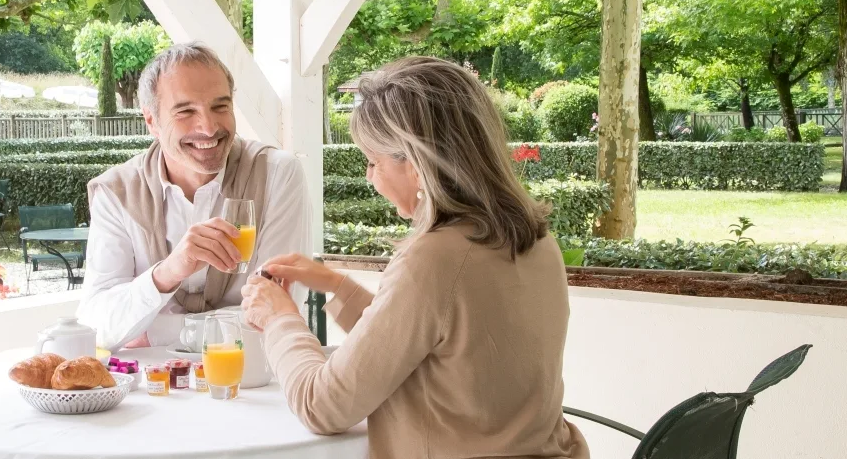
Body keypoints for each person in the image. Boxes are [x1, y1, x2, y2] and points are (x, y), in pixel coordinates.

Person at [241, 57, 589, 459]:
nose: (371, 178)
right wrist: (336, 286)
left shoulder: (434, 259)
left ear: (417, 161)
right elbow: (435, 343)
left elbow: (321, 405)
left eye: (374, 162)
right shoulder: (534, 240)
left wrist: (278, 318)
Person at [77, 42, 309, 351]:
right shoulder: (116, 192)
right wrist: (169, 271)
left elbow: (276, 314)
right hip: (152, 392)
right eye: (186, 111)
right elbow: (95, 326)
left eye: (220, 107)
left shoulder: (277, 174)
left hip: (254, 386)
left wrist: (154, 333)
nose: (209, 127)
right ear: (152, 121)